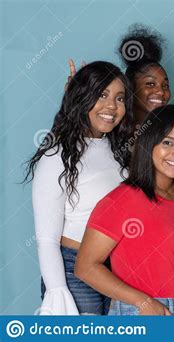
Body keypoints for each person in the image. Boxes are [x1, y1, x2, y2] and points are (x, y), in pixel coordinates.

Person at [75, 105, 174, 316]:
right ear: (149, 144)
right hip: (140, 312)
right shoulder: (122, 200)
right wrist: (143, 302)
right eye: (168, 142)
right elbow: (85, 267)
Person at [24, 61, 133, 315]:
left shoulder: (121, 152)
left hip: (118, 267)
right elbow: (47, 240)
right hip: (74, 269)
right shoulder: (57, 156)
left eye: (119, 98)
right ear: (83, 97)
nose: (111, 106)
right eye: (101, 94)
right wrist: (57, 292)